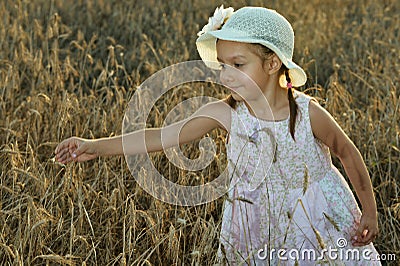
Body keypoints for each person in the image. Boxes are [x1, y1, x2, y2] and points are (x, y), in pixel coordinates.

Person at [55, 6, 381, 265]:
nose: (225, 75)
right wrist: (94, 146)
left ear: (271, 64)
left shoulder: (306, 112)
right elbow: (162, 137)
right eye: (223, 64)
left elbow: (347, 153)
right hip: (255, 218)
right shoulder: (224, 113)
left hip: (318, 215)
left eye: (237, 64)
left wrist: (369, 209)